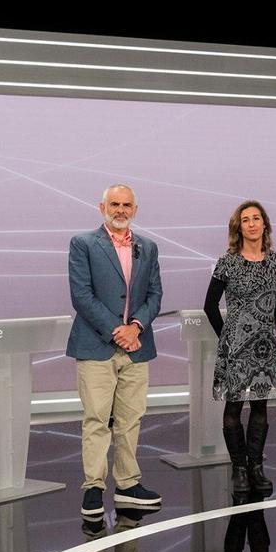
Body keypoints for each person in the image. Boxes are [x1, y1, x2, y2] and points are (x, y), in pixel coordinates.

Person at [67, 184, 163, 517]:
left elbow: (155, 295)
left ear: (135, 209)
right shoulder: (83, 244)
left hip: (137, 346)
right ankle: (93, 488)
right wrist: (116, 331)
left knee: (130, 419)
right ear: (101, 207)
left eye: (126, 205)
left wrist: (135, 327)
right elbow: (81, 295)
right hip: (96, 346)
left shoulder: (148, 247)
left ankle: (128, 484)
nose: (120, 210)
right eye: (114, 204)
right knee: (96, 420)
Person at [204, 200, 276, 496]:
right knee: (233, 406)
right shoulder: (226, 262)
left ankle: (256, 466)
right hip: (235, 347)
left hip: (265, 347)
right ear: (238, 227)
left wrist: (264, 329)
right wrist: (228, 336)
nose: (252, 223)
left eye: (256, 218)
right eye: (246, 220)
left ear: (264, 224)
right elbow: (209, 306)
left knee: (260, 406)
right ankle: (238, 468)